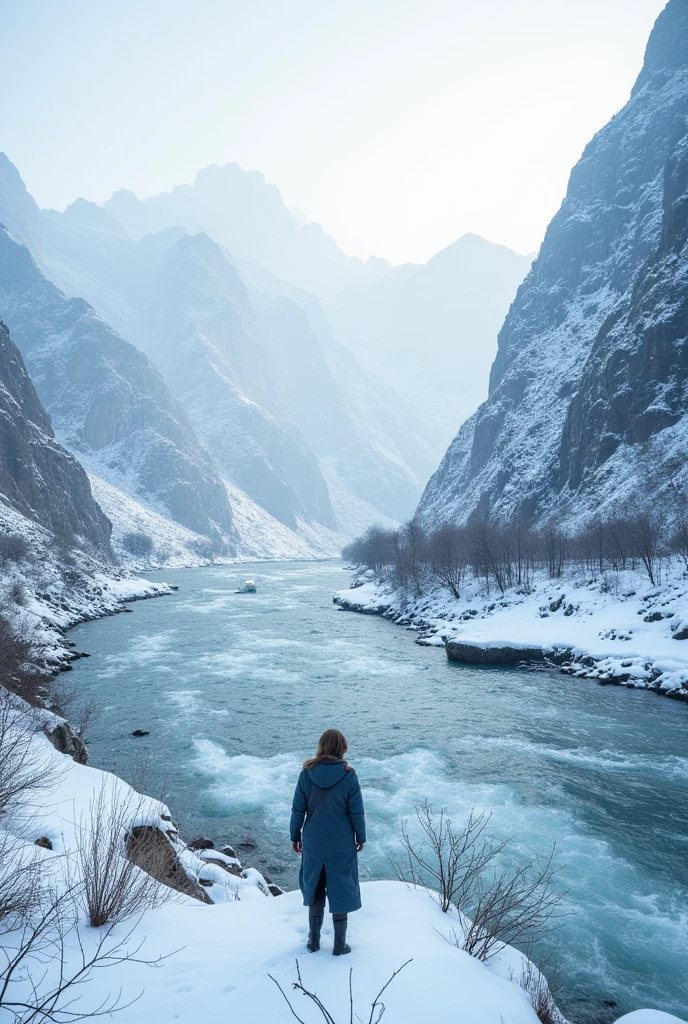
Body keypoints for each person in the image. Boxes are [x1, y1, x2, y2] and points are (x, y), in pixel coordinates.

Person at [290, 729, 366, 956]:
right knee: (340, 887)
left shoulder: (306, 773)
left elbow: (297, 809)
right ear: (342, 747)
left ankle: (313, 941)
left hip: (313, 840)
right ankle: (339, 945)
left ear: (321, 746)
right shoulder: (349, 775)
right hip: (341, 842)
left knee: (315, 886)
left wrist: (295, 836)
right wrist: (360, 837)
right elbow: (357, 812)